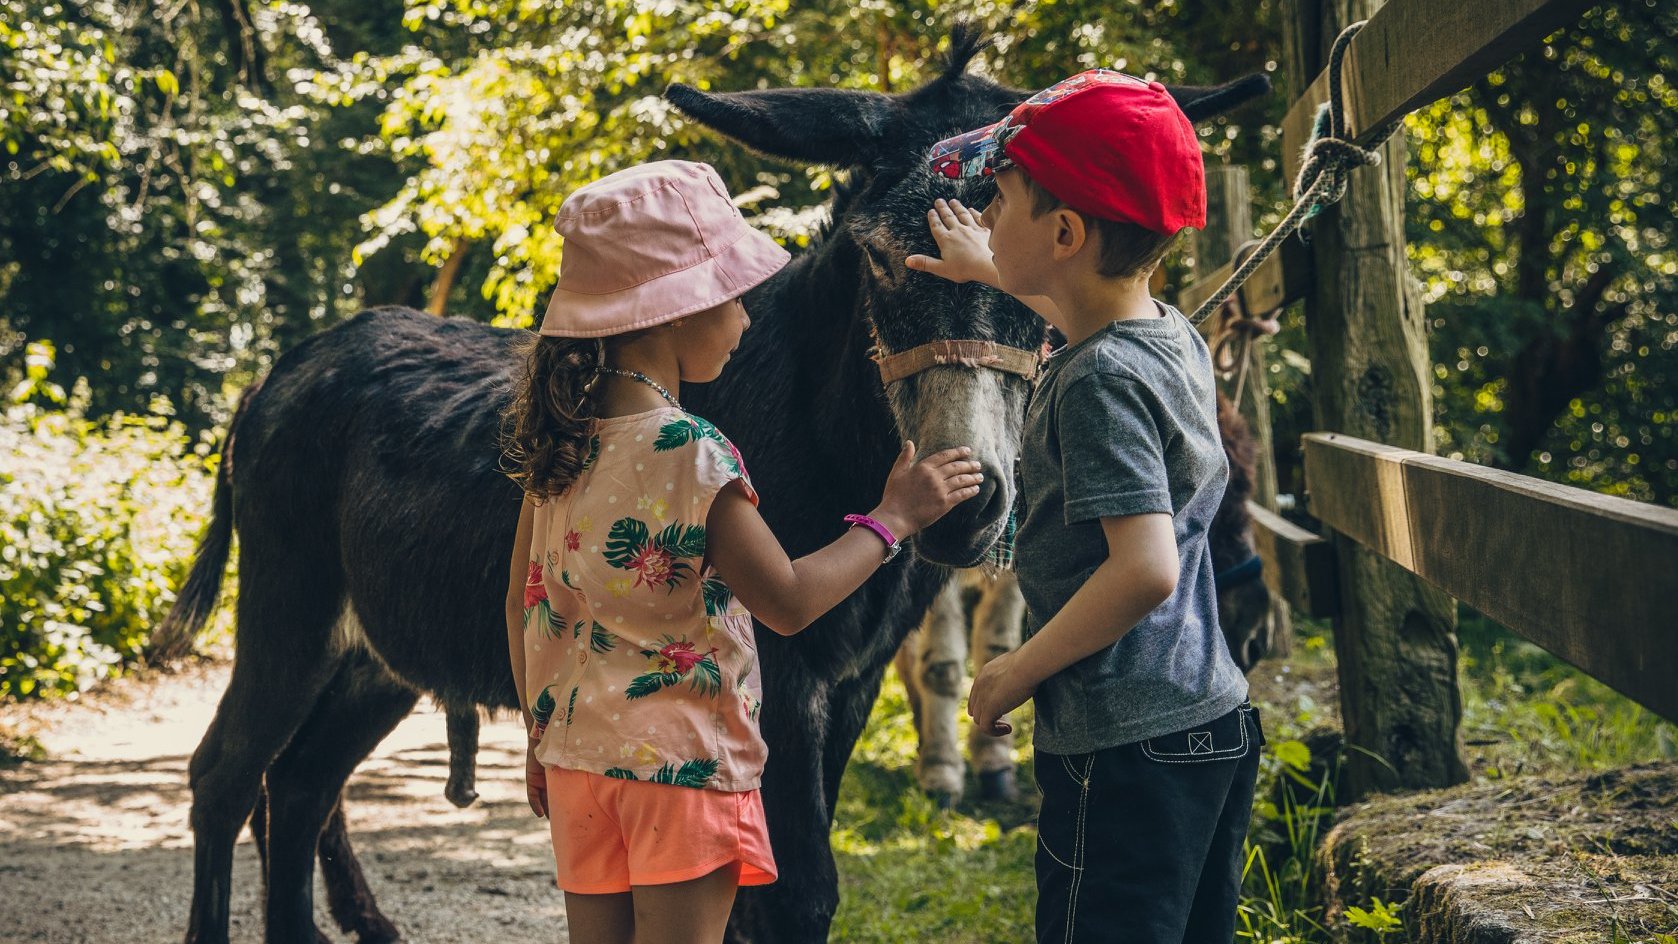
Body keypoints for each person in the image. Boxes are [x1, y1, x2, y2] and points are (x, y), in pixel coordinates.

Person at [499, 159, 984, 944]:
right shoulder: (693, 453)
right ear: (670, 312)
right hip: (679, 774)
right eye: (733, 298)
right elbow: (788, 601)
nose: (749, 320)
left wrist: (539, 733)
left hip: (578, 763)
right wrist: (895, 518)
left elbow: (527, 602)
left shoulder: (559, 451)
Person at [907, 71, 1265, 944]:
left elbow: (1144, 569)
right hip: (1209, 717)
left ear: (1064, 232)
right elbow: (1077, 300)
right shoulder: (1164, 332)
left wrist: (1016, 669)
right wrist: (987, 265)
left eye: (1004, 198)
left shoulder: (1095, 382)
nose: (987, 213)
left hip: (1124, 744)